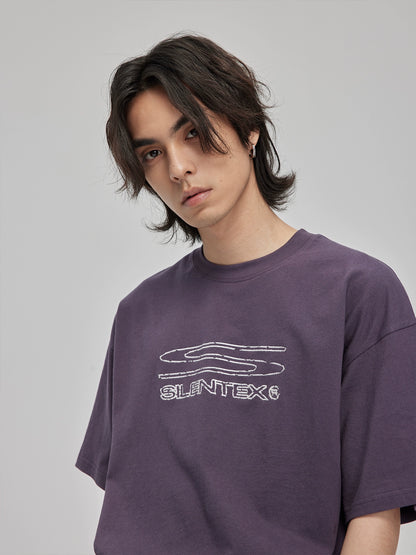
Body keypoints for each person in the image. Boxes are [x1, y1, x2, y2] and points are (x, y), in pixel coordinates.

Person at [75, 32, 416, 554]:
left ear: (248, 127)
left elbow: (376, 511)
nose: (177, 168)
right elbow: (134, 500)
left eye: (193, 132)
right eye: (152, 153)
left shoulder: (358, 292)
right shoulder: (139, 313)